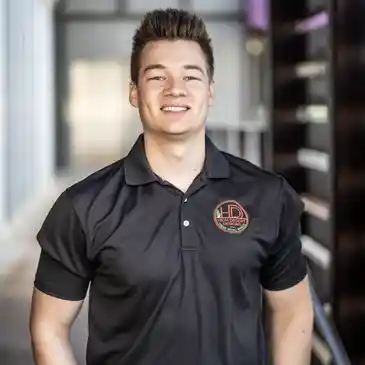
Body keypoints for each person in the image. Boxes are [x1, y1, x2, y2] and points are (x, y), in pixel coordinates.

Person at [29, 8, 313, 365]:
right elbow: (48, 328)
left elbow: (292, 312)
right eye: (157, 77)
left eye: (191, 77)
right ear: (134, 92)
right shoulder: (84, 206)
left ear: (210, 91)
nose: (175, 89)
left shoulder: (268, 196)